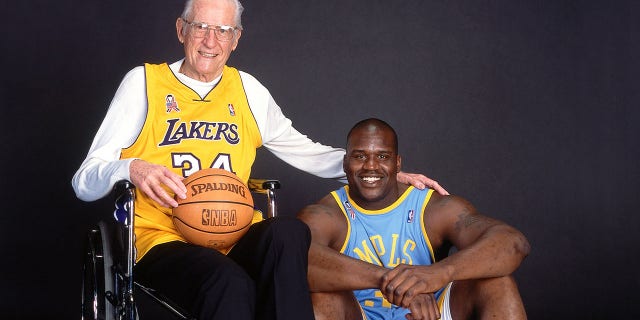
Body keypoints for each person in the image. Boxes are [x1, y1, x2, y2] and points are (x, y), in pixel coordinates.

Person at [72, 1, 447, 319]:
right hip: (161, 239)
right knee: (228, 280)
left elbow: (304, 150)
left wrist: (380, 175)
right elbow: (84, 179)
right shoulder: (143, 83)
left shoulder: (247, 89)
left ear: (236, 39)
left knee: (288, 232)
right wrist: (132, 168)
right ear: (181, 30)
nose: (210, 41)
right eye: (200, 27)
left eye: (222, 30)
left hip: (233, 232)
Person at [297, 118, 531, 320]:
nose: (371, 166)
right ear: (346, 162)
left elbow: (512, 243)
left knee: (498, 282)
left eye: (382, 156)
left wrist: (437, 274)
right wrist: (401, 284)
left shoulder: (433, 208)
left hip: (431, 314)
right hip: (360, 314)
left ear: (397, 163)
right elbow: (296, 262)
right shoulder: (326, 213)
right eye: (360, 156)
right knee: (323, 295)